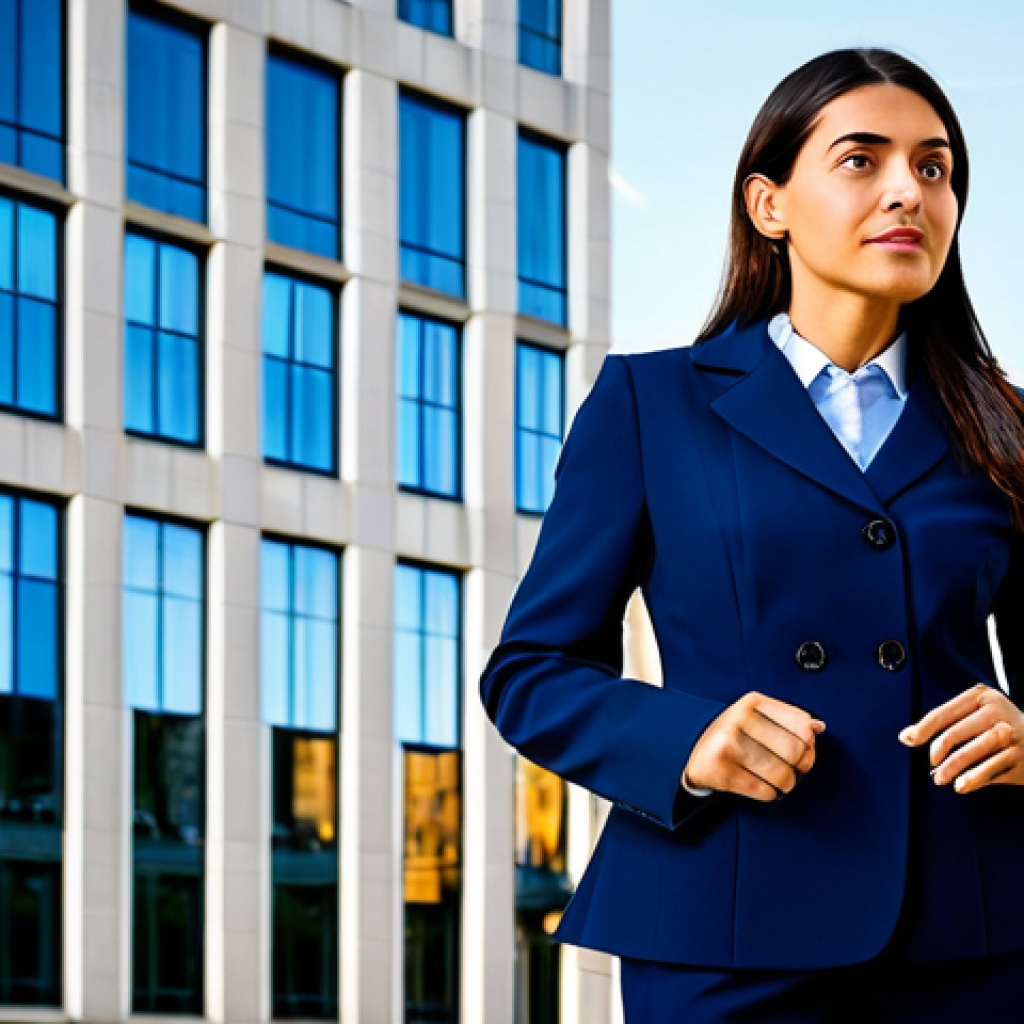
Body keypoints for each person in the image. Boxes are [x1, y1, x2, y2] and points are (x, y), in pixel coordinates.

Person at [478, 47, 1024, 1023]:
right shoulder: (650, 403)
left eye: (934, 167)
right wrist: (686, 738)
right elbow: (531, 670)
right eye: (861, 159)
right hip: (723, 928)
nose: (908, 189)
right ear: (767, 203)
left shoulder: (1006, 425)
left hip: (972, 933)